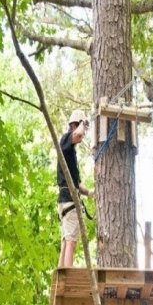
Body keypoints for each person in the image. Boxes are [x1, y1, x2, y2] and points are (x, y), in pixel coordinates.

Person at [57, 109, 93, 268]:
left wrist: (90, 192)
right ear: (75, 125)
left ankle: (62, 272)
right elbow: (77, 134)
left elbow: (77, 183)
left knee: (66, 241)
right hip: (69, 201)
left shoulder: (70, 153)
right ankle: (68, 275)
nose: (83, 134)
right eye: (82, 128)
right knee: (70, 241)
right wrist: (83, 123)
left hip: (67, 200)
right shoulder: (66, 140)